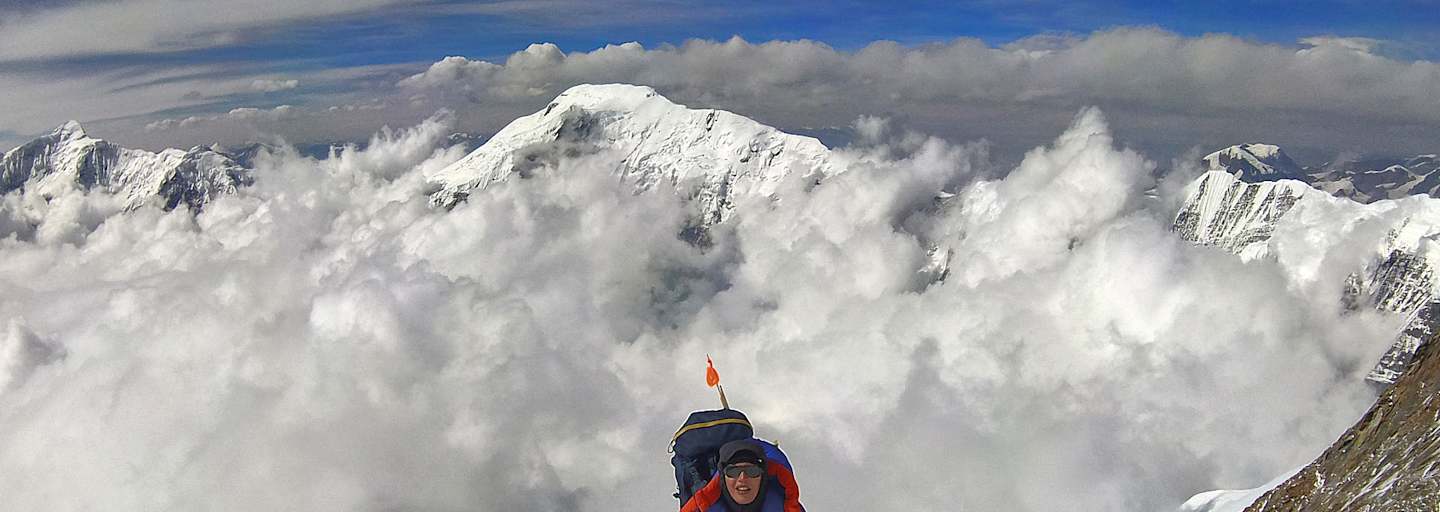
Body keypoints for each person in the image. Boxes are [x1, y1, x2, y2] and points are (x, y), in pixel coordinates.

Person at [680, 439, 803, 512]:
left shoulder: (784, 507)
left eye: (752, 471)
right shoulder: (703, 508)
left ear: (763, 476)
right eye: (733, 472)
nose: (743, 478)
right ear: (722, 477)